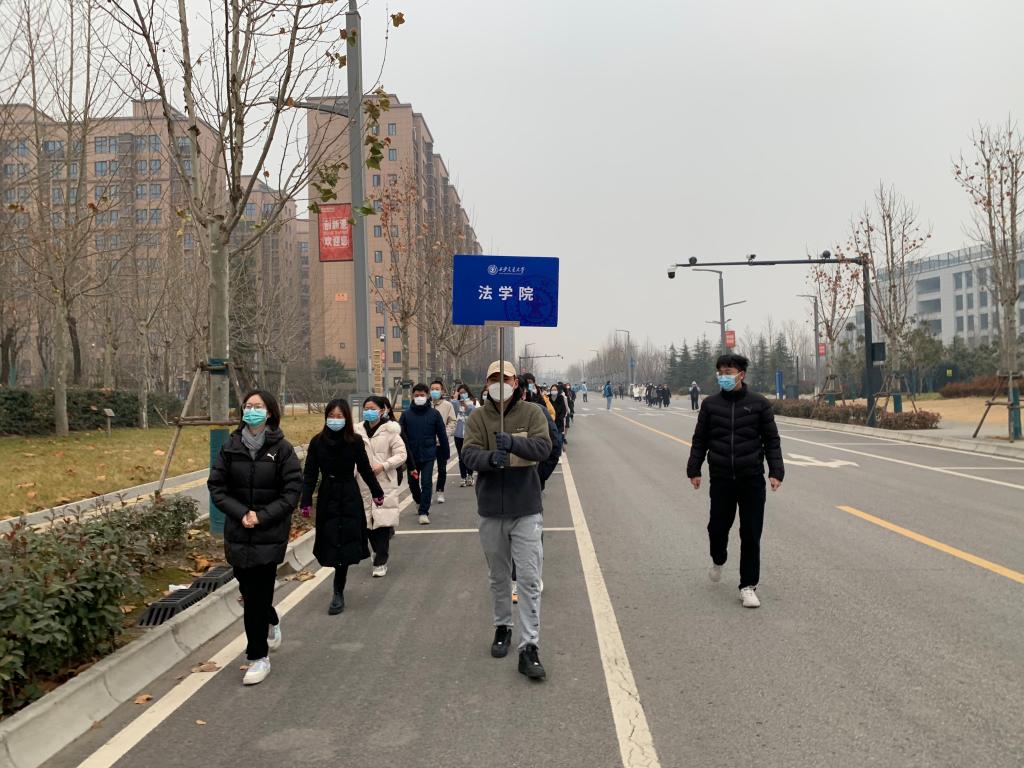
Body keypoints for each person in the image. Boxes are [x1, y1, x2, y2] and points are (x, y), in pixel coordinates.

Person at [462, 360, 552, 680]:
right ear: (486, 384)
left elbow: (543, 447)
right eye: (493, 379)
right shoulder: (478, 417)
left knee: (528, 578)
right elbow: (468, 453)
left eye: (506, 378)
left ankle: (530, 646)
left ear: (516, 383)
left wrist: (514, 444)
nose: (499, 383)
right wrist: (490, 458)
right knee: (498, 576)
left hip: (525, 508)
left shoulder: (532, 413)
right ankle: (503, 626)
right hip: (491, 509)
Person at [208, 390, 302, 686]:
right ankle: (270, 618)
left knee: (256, 596)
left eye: (257, 406)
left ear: (269, 412)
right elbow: (217, 487)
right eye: (247, 406)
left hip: (269, 532)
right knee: (248, 591)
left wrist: (261, 516)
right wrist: (242, 514)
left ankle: (258, 657)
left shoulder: (282, 449)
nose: (251, 410)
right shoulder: (230, 447)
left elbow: (291, 492)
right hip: (238, 532)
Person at [686, 353, 785, 609]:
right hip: (721, 479)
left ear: (741, 374)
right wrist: (694, 469)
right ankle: (718, 558)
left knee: (751, 533)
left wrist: (776, 471)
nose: (724, 377)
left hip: (751, 479)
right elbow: (700, 439)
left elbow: (771, 440)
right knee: (717, 528)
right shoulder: (710, 405)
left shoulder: (759, 404)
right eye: (721, 372)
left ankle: (748, 586)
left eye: (728, 372)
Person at [302, 399, 385, 615]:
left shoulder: (355, 441)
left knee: (345, 541)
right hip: (328, 494)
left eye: (340, 416)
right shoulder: (317, 442)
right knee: (330, 539)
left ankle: (338, 591)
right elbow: (310, 474)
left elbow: (365, 469)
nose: (335, 420)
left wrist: (377, 492)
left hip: (349, 493)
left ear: (346, 418)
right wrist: (305, 501)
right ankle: (336, 580)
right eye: (332, 416)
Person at [354, 396, 407, 577]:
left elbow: (402, 454)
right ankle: (377, 551)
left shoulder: (391, 431)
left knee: (383, 522)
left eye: (372, 408)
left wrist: (384, 465)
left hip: (384, 482)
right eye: (365, 408)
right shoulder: (357, 431)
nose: (368, 411)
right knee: (368, 522)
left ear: (382, 411)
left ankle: (381, 561)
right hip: (363, 483)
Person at [400, 383, 449, 525]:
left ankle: (423, 512)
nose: (419, 397)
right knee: (412, 483)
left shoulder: (434, 414)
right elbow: (400, 435)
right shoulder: (406, 415)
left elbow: (442, 434)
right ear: (412, 396)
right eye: (417, 395)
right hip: (411, 456)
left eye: (422, 395)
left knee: (426, 482)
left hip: (428, 454)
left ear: (427, 396)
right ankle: (418, 501)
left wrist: (445, 452)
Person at [429, 380, 457, 504]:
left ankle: (440, 491)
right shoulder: (426, 405)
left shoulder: (447, 405)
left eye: (437, 389)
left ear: (442, 391)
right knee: (427, 470)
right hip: (428, 443)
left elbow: (452, 421)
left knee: (442, 468)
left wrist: (443, 435)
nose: (434, 391)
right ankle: (428, 492)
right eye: (432, 389)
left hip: (441, 443)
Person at [453, 384, 477, 487]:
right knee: (461, 456)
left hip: (468, 434)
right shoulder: (456, 404)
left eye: (464, 392)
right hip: (458, 434)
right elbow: (453, 408)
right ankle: (463, 477)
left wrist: (465, 404)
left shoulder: (472, 403)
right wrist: (456, 399)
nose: (462, 394)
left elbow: (471, 411)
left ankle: (470, 475)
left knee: (468, 455)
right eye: (460, 392)